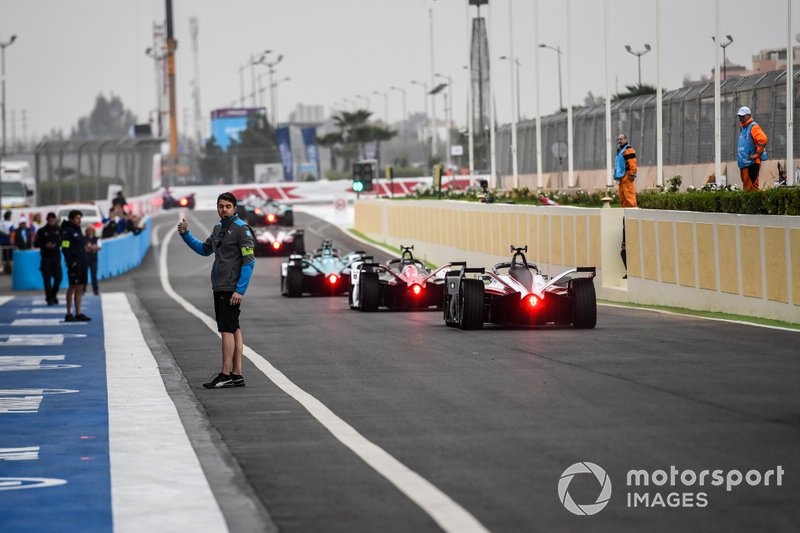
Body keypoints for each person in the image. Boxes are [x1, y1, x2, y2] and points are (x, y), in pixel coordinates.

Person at [178, 192, 255, 389]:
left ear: (235, 208)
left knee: (226, 330)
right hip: (220, 285)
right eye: (221, 206)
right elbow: (204, 250)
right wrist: (185, 234)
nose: (224, 209)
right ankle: (236, 374)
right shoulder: (219, 228)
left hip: (230, 288)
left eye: (228, 206)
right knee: (234, 328)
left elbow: (249, 261)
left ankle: (225, 373)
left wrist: (240, 290)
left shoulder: (242, 230)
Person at [61, 210, 91, 322]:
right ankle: (69, 313)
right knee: (73, 286)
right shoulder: (67, 231)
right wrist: (70, 262)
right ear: (72, 219)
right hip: (74, 263)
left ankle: (78, 312)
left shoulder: (78, 230)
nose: (80, 220)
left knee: (80, 287)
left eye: (80, 218)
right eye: (78, 218)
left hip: (82, 262)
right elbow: (64, 247)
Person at [736, 106, 768, 191]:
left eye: (743, 116)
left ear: (749, 115)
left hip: (751, 163)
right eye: (739, 116)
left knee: (751, 189)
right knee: (747, 188)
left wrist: (758, 154)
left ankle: (755, 204)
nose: (740, 118)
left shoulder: (753, 127)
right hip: (744, 163)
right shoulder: (744, 128)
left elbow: (763, 139)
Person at [34, 212, 62, 306]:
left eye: (53, 220)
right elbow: (36, 244)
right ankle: (49, 298)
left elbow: (65, 242)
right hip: (46, 258)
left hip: (56, 257)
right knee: (47, 279)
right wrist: (45, 245)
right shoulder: (41, 231)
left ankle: (53, 295)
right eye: (50, 220)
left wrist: (62, 246)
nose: (52, 222)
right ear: (47, 220)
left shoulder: (59, 230)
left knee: (58, 278)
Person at [614, 133, 638, 208]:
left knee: (630, 196)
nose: (619, 141)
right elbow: (617, 164)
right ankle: (625, 216)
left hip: (627, 177)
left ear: (625, 139)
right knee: (623, 198)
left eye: (621, 139)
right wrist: (615, 175)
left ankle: (634, 215)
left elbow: (632, 163)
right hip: (621, 177)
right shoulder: (620, 150)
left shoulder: (628, 149)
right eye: (618, 139)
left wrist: (631, 174)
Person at [84, 226, 101, 296]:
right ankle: (83, 289)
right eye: (89, 230)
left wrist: (92, 247)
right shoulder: (84, 239)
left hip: (94, 259)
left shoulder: (97, 239)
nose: (90, 232)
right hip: (85, 259)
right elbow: (84, 248)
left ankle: (95, 290)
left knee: (93, 275)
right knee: (84, 275)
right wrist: (92, 248)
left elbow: (99, 247)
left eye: (91, 230)